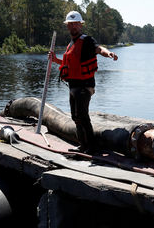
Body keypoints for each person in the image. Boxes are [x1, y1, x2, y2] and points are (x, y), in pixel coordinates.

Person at [48, 10, 118, 154]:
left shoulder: (86, 41)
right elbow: (69, 65)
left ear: (81, 25)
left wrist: (109, 53)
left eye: (76, 24)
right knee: (75, 117)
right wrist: (55, 60)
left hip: (84, 86)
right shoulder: (70, 45)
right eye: (70, 24)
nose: (73, 27)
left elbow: (99, 49)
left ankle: (91, 147)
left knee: (82, 116)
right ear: (68, 26)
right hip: (73, 87)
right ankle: (83, 145)